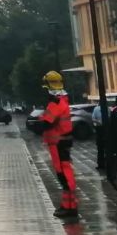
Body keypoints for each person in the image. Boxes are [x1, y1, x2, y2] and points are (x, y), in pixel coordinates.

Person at [39, 71, 78, 222]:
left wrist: (39, 121)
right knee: (63, 174)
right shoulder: (62, 101)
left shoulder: (55, 103)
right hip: (61, 141)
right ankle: (67, 206)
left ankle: (71, 208)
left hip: (58, 142)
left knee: (64, 175)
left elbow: (47, 122)